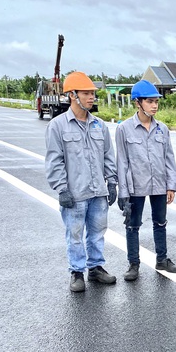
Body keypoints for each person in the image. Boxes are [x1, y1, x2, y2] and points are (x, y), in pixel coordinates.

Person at [45, 71, 117, 292]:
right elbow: (54, 160)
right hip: (74, 194)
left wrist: (112, 181)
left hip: (98, 192)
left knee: (98, 232)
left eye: (92, 93)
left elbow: (108, 155)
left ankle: (95, 268)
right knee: (74, 235)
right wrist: (61, 189)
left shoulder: (100, 126)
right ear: (72, 95)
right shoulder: (58, 126)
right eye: (86, 93)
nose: (91, 97)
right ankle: (77, 272)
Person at [115, 80, 176, 281]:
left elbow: (169, 158)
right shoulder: (124, 129)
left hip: (159, 184)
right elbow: (122, 162)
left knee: (160, 222)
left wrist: (172, 185)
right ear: (138, 103)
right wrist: (123, 192)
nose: (154, 105)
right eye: (150, 101)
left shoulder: (162, 128)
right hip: (135, 186)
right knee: (132, 224)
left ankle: (162, 259)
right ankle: (133, 264)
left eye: (156, 102)